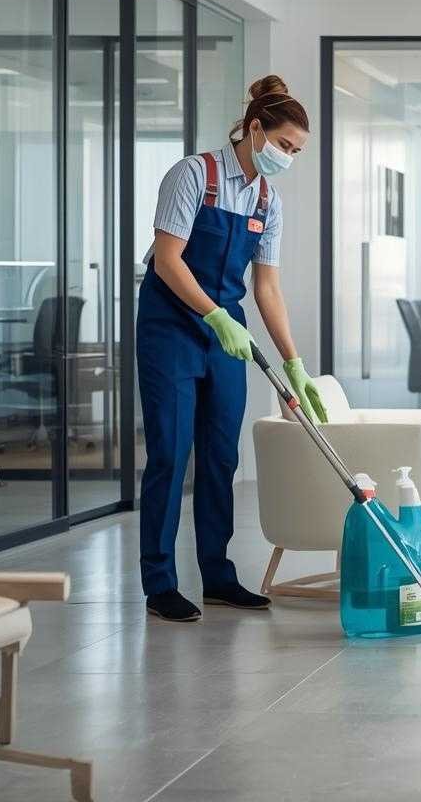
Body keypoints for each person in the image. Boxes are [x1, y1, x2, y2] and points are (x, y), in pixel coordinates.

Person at [136, 74, 330, 623]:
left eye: (296, 151)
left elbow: (266, 287)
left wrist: (294, 363)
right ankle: (160, 582)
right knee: (172, 454)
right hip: (170, 328)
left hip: (227, 337)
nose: (288, 157)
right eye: (284, 145)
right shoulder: (193, 175)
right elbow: (169, 260)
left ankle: (218, 575)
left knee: (221, 457)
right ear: (254, 129)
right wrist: (215, 313)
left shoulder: (268, 199)